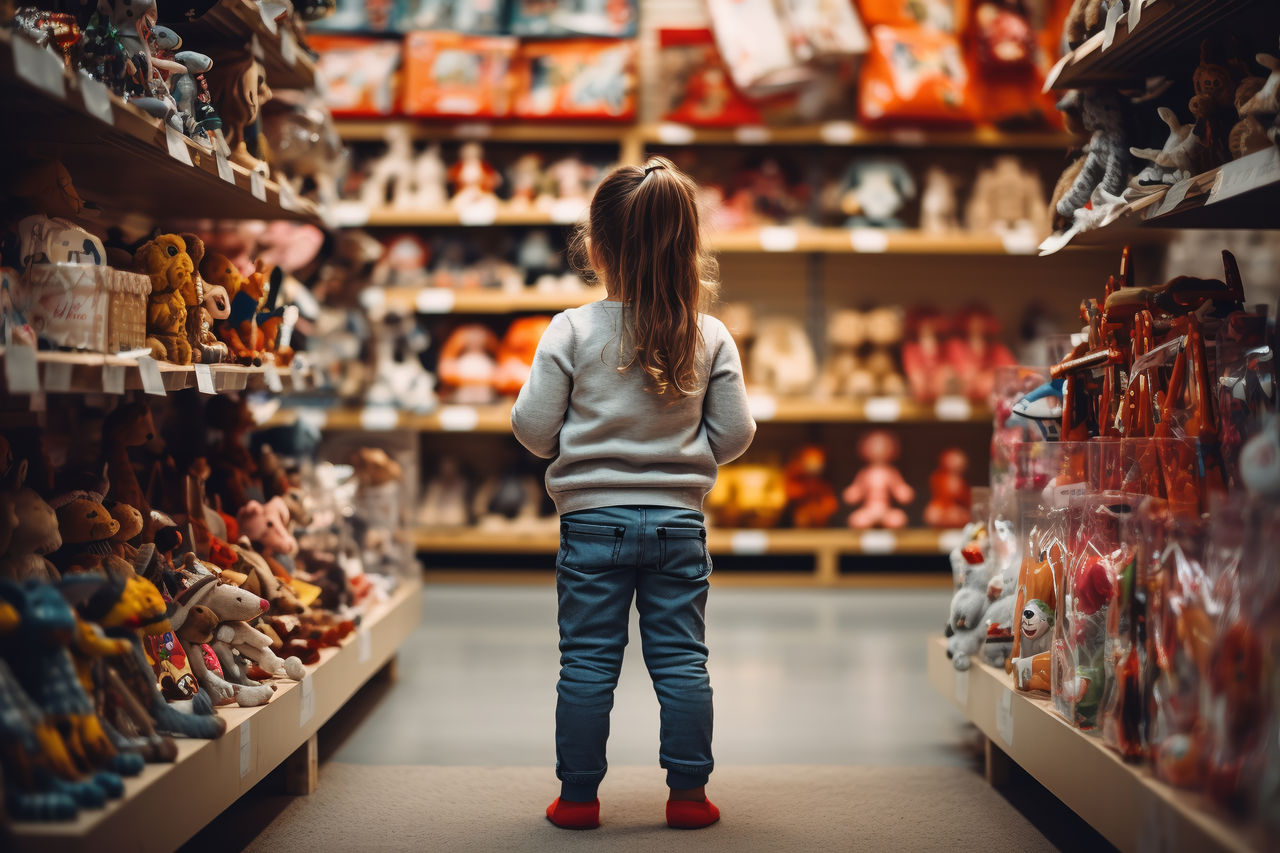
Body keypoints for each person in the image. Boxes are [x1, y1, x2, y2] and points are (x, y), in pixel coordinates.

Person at [511, 156, 756, 831]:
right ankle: (687, 795)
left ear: (596, 249)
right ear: (688, 247)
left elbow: (532, 430)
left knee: (588, 661)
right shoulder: (707, 334)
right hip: (680, 524)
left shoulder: (570, 329)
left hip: (591, 525)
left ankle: (580, 797)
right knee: (681, 659)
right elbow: (735, 433)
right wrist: (679, 463)